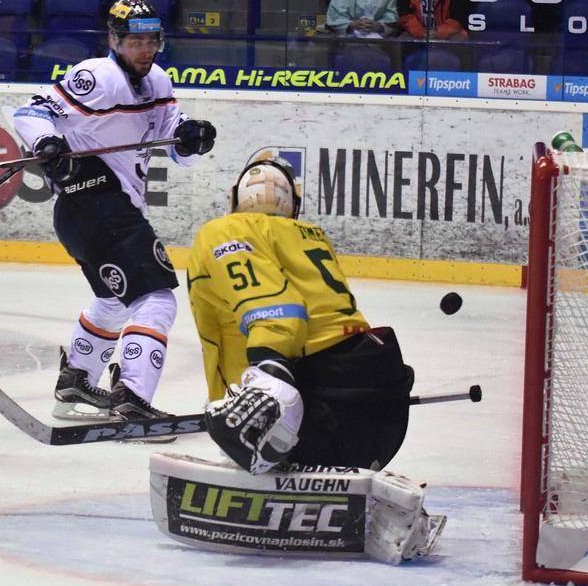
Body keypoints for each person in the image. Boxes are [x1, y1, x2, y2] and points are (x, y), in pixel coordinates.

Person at [175, 156, 441, 564]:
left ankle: (287, 458)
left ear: (235, 199)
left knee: (230, 425)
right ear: (292, 205)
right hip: (378, 400)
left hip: (320, 407)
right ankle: (371, 508)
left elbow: (276, 310)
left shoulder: (223, 230)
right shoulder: (309, 234)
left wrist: (271, 372)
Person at [9, 0, 215, 439]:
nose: (145, 50)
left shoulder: (158, 80)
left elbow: (177, 147)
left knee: (113, 301)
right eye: (135, 42)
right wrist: (47, 142)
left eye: (151, 41)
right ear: (114, 41)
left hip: (91, 214)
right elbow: (31, 112)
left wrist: (192, 138)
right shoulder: (96, 77)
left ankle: (76, 381)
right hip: (97, 203)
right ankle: (132, 397)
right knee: (156, 298)